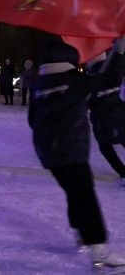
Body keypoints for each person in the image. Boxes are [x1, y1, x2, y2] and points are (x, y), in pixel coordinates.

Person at [29, 39, 125, 269]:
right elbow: (109, 79)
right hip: (70, 148)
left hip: (48, 151)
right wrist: (119, 50)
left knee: (74, 190)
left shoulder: (39, 85)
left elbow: (32, 120)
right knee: (84, 194)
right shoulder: (74, 81)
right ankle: (99, 249)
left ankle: (79, 230)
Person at [86, 48, 125, 186]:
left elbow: (87, 102)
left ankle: (122, 172)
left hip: (102, 118)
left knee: (105, 147)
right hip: (119, 113)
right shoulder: (112, 69)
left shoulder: (90, 78)